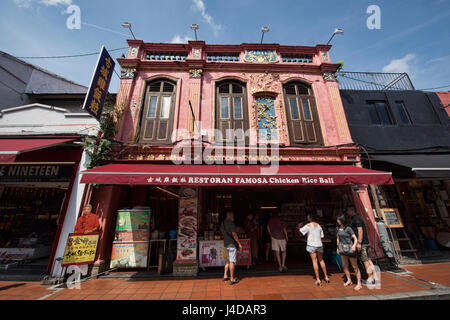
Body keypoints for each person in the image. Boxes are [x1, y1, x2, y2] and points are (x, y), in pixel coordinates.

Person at [347, 206, 380, 284]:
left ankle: (370, 278)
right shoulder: (357, 218)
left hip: (363, 243)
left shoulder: (356, 219)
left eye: (348, 211)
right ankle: (375, 275)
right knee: (368, 259)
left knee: (365, 260)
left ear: (352, 210)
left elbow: (360, 231)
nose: (348, 213)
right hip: (365, 242)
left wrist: (359, 243)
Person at [298, 213, 330, 286]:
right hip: (319, 245)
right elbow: (322, 236)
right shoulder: (319, 226)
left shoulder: (308, 225)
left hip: (312, 245)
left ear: (309, 218)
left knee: (314, 261)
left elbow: (301, 231)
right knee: (321, 260)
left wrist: (299, 226)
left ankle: (318, 279)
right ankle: (326, 277)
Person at [336, 214, 362, 290]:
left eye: (338, 220)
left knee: (354, 266)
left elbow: (355, 238)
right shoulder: (338, 228)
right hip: (342, 248)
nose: (337, 221)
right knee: (344, 265)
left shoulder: (348, 228)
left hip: (350, 248)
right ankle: (349, 280)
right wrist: (337, 247)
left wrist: (354, 245)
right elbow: (338, 238)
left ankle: (359, 283)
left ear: (342, 220)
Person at [220, 211, 243, 285]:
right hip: (232, 244)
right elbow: (234, 234)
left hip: (226, 244)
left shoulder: (223, 223)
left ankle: (225, 275)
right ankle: (232, 279)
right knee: (232, 261)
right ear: (229, 216)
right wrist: (239, 243)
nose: (233, 217)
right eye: (232, 215)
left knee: (228, 261)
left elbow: (221, 231)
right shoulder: (231, 223)